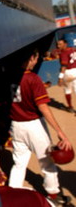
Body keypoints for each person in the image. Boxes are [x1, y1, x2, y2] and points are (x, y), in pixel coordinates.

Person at [8, 48, 73, 206]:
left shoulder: (10, 76)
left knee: (19, 163)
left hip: (16, 125)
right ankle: (54, 196)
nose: (36, 61)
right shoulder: (32, 78)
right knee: (47, 162)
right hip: (33, 124)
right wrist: (60, 132)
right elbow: (43, 107)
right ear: (31, 58)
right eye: (35, 58)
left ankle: (12, 196)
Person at [57, 38, 76, 113]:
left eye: (60, 44)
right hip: (75, 70)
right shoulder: (73, 50)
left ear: (65, 44)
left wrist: (60, 78)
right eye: (57, 44)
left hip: (68, 73)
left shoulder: (63, 53)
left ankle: (70, 107)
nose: (58, 46)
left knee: (67, 90)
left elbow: (63, 66)